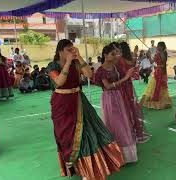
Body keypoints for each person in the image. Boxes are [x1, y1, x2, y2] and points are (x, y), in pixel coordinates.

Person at [47, 39, 124, 179]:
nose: (71, 52)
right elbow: (59, 82)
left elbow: (89, 74)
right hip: (61, 105)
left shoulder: (77, 62)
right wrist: (69, 62)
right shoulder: (52, 66)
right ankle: (75, 165)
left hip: (78, 102)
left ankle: (88, 168)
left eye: (72, 49)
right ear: (60, 51)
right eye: (68, 50)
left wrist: (79, 57)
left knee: (86, 133)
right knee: (66, 136)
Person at [95, 45, 138, 164]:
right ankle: (114, 155)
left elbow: (128, 64)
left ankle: (124, 155)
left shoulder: (115, 66)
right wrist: (125, 78)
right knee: (114, 124)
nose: (115, 56)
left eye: (115, 53)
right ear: (105, 55)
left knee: (122, 123)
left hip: (118, 97)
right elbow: (107, 87)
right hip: (109, 99)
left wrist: (128, 73)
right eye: (112, 54)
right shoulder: (101, 70)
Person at [118, 41, 150, 143]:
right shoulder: (127, 59)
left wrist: (135, 54)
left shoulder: (120, 59)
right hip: (127, 85)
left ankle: (129, 130)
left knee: (126, 107)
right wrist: (135, 53)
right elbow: (132, 64)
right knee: (130, 107)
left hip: (122, 85)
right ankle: (133, 130)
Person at [140, 42, 172, 109]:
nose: (158, 47)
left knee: (160, 85)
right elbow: (152, 62)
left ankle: (159, 100)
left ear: (162, 47)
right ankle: (156, 99)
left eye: (159, 46)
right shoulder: (159, 53)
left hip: (161, 71)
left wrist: (155, 54)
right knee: (157, 84)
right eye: (157, 46)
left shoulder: (162, 53)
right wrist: (149, 56)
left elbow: (162, 60)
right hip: (159, 71)